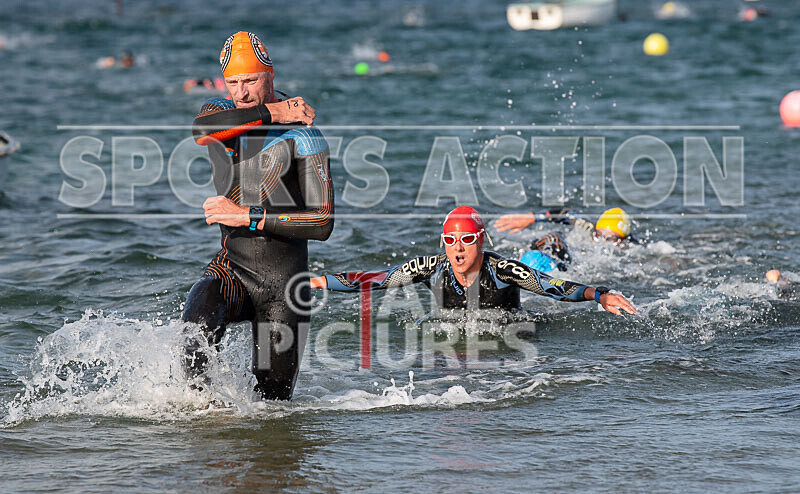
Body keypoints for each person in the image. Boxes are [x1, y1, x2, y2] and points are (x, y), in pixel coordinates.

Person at [182, 31, 333, 401]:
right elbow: (201, 132)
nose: (242, 93)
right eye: (233, 83)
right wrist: (275, 111)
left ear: (271, 75)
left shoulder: (304, 136)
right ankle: (207, 422)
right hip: (232, 269)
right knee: (194, 331)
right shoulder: (221, 113)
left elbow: (323, 221)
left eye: (250, 81)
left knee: (273, 408)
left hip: (284, 288)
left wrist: (247, 216)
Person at [310, 206, 636, 316]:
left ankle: (553, 240)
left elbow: (552, 287)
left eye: (466, 240)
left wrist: (599, 294)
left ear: (480, 241)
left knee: (543, 255)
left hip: (520, 306)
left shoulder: (503, 270)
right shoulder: (431, 268)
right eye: (450, 241)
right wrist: (319, 281)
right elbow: (378, 279)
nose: (458, 249)